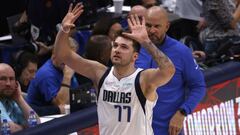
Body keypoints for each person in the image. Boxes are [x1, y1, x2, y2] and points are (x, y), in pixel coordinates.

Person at [54, 3, 175, 135]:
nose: (117, 50)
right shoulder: (100, 73)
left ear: (135, 56)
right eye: (115, 45)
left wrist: (146, 42)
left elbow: (168, 71)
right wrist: (63, 30)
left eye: (124, 47)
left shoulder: (143, 78)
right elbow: (63, 55)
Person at [135, 6, 206, 135]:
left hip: (166, 130)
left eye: (157, 26)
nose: (152, 30)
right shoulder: (134, 48)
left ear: (167, 26)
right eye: (149, 25)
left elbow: (198, 86)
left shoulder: (181, 52)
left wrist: (182, 112)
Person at [26, 37, 79, 116]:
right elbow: (62, 105)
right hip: (41, 119)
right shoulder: (46, 74)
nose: (70, 60)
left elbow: (75, 94)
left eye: (72, 56)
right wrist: (67, 77)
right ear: (55, 54)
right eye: (67, 56)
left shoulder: (63, 67)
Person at [0, 63, 40, 133]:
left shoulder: (12, 99)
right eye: (3, 79)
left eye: (11, 79)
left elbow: (36, 123)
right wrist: (24, 127)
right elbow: (9, 129)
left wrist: (19, 98)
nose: (8, 83)